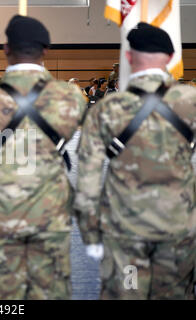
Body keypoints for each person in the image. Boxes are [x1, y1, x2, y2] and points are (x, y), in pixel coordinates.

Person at [0, 15, 86, 300]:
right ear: (46, 50)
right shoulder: (71, 98)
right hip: (51, 219)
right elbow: (91, 164)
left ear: (5, 48)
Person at [73, 22, 196, 300]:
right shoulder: (191, 101)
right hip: (179, 230)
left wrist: (91, 235)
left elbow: (88, 180)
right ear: (170, 58)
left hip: (124, 233)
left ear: (128, 58)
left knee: (126, 294)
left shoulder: (107, 109)